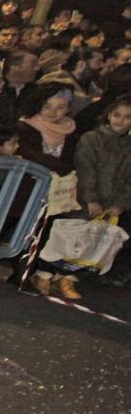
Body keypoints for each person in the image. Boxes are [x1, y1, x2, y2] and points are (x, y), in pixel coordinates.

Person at [74, 95, 131, 287]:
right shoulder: (91, 139)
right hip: (87, 200)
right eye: (117, 115)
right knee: (77, 238)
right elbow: (86, 169)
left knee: (104, 240)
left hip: (113, 201)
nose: (120, 121)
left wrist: (122, 203)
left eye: (127, 117)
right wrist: (90, 198)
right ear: (108, 115)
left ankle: (96, 274)